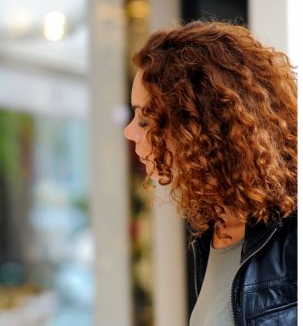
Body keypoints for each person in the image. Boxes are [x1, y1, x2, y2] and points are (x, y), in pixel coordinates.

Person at [123, 21, 297, 326]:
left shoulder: (293, 236)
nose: (129, 132)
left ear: (199, 128)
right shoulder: (212, 228)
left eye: (145, 120)